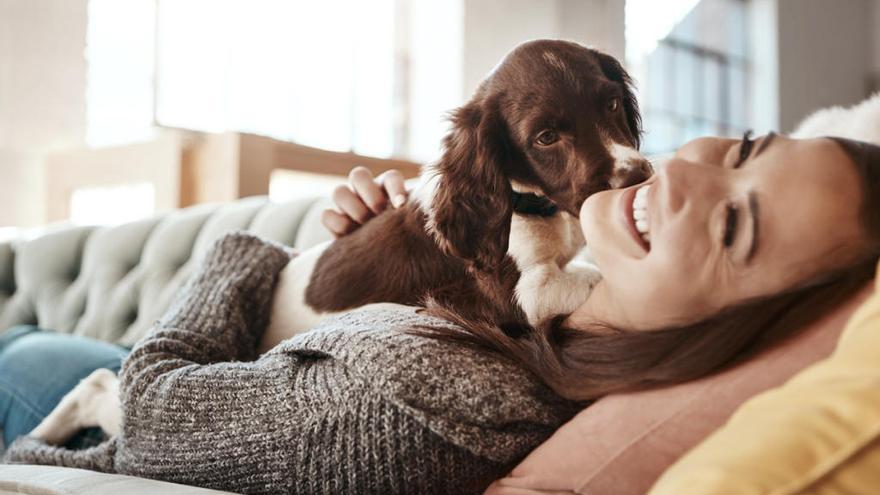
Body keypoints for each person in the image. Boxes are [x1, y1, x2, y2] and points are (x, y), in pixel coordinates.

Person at [1, 133, 879, 494]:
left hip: (72, 407)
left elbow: (154, 412)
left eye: (733, 224)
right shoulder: (542, 303)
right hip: (123, 371)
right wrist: (355, 259)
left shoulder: (435, 406)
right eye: (745, 148)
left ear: (739, 333)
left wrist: (257, 258)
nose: (683, 175)